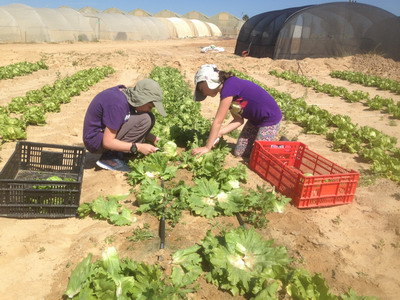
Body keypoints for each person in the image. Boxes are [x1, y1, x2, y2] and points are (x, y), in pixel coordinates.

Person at [192, 64, 282, 158]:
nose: (203, 93)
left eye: (201, 89)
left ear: (209, 81)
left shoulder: (229, 88)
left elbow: (218, 122)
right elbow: (238, 120)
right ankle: (264, 142)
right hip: (254, 120)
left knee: (260, 157)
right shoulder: (227, 92)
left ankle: (279, 146)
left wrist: (207, 147)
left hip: (270, 119)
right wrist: (219, 133)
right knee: (239, 153)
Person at [83, 78, 166, 172]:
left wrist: (154, 139)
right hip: (95, 141)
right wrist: (138, 147)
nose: (149, 110)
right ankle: (110, 157)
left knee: (147, 118)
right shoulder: (118, 104)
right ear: (143, 99)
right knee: (145, 118)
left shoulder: (126, 95)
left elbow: (126, 123)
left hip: (103, 134)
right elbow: (107, 142)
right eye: (150, 107)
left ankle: (121, 152)